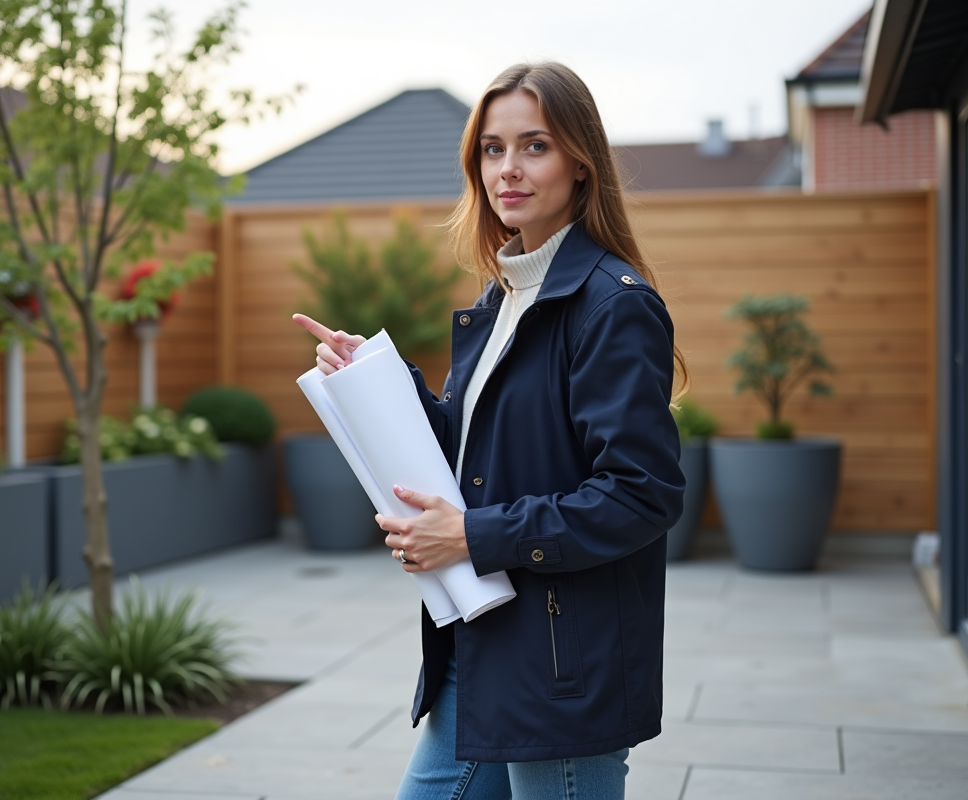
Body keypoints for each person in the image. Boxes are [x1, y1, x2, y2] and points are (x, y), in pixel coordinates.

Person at [292, 61, 686, 800]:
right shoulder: (500, 297)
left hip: (565, 666)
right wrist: (378, 378)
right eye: (492, 149)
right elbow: (479, 450)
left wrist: (473, 536)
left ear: (580, 163)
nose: (509, 168)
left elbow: (641, 495)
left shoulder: (612, 305)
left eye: (535, 146)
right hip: (483, 649)